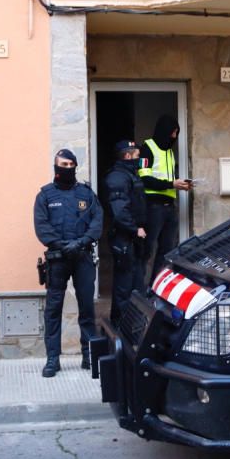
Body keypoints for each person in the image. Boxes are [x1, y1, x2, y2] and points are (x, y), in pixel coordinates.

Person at [33, 148, 103, 377]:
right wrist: (63, 245)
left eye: (68, 165)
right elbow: (42, 227)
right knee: (53, 310)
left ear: (74, 166)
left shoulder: (86, 194)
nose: (64, 169)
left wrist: (82, 242)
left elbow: (97, 222)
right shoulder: (45, 196)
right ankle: (52, 359)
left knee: (87, 308)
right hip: (57, 260)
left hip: (82, 257)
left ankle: (88, 356)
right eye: (60, 165)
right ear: (55, 166)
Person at [138, 115, 191, 285]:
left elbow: (168, 179)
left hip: (169, 207)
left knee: (167, 250)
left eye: (176, 133)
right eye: (173, 132)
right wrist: (171, 184)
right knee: (147, 249)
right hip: (153, 207)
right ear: (164, 131)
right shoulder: (147, 148)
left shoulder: (169, 152)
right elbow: (144, 178)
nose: (174, 137)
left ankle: (156, 287)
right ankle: (140, 289)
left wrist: (179, 184)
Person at [103, 140, 147, 327]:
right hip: (124, 239)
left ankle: (132, 327)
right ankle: (121, 329)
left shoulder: (128, 176)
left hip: (132, 239)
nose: (139, 159)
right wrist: (135, 228)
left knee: (135, 284)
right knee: (125, 286)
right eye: (137, 156)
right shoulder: (117, 178)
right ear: (128, 156)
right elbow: (120, 210)